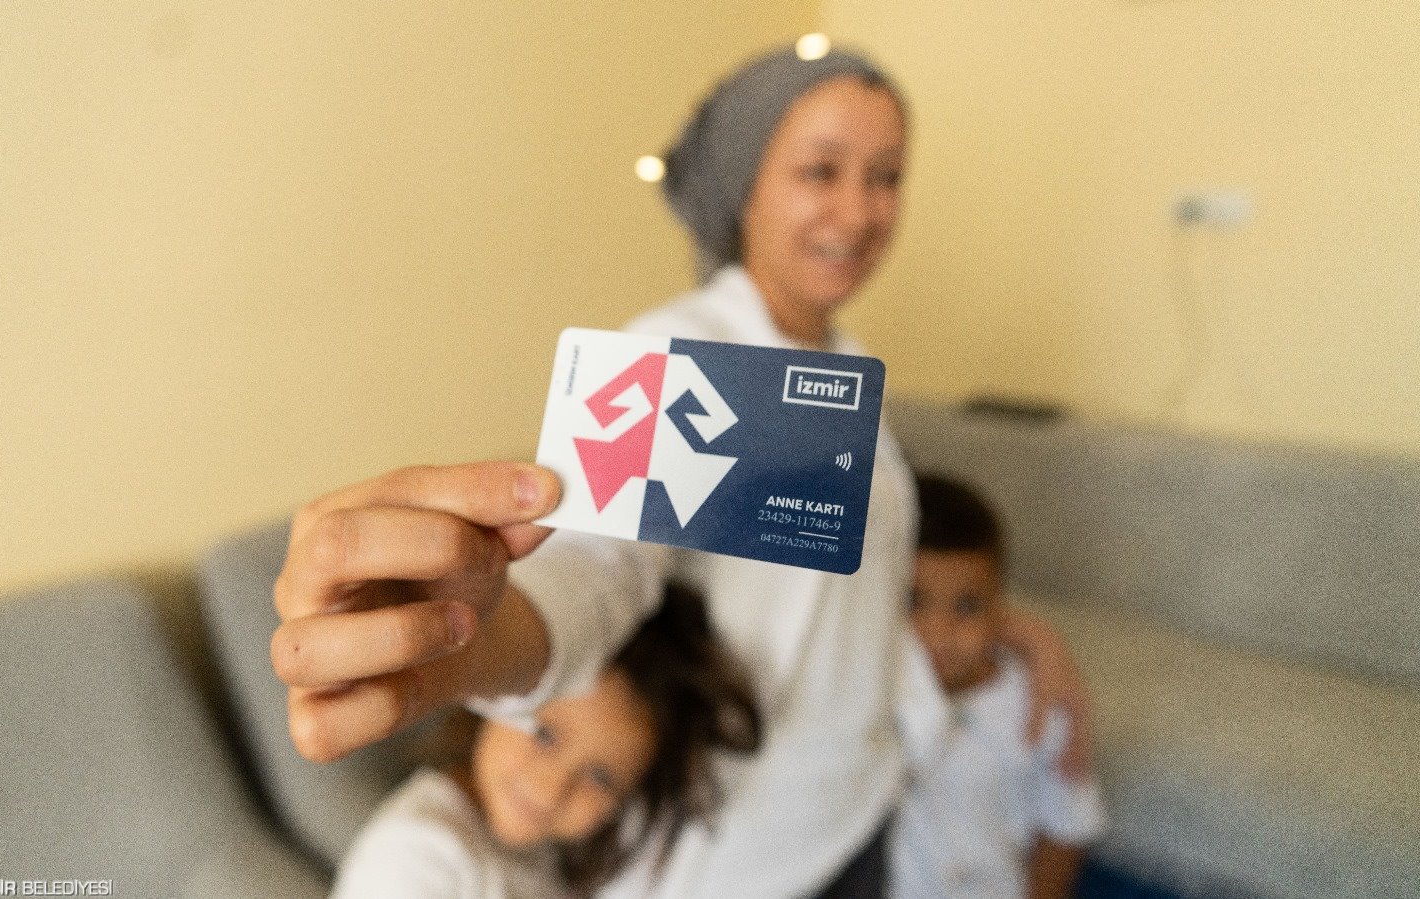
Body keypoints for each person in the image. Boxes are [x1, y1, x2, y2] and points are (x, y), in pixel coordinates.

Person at [272, 40, 1091, 897]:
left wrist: (1022, 636)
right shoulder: (678, 353)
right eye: (820, 171)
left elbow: (855, 591)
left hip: (862, 812)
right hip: (747, 862)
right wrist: (477, 636)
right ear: (745, 184)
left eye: (885, 177)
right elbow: (596, 565)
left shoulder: (846, 368)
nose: (858, 211)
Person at [329, 584, 761, 899]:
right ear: (499, 695)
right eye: (546, 735)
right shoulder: (418, 855)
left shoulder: (543, 864)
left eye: (601, 778)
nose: (552, 789)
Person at [893, 474, 1106, 898]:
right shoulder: (871, 687)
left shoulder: (1037, 705)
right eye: (914, 602)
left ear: (1000, 609)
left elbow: (1065, 828)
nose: (938, 634)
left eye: (967, 606)